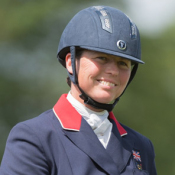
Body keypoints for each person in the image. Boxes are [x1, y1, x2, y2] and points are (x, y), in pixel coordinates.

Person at [0, 5, 157, 175]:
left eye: (123, 63)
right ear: (70, 62)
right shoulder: (34, 137)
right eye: (102, 58)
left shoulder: (141, 146)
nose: (114, 71)